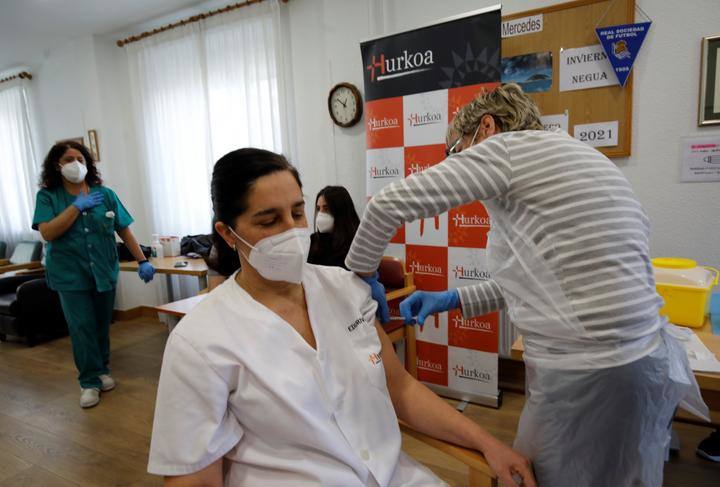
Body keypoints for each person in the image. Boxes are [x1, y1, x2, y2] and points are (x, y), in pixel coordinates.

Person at [345, 83, 709, 487]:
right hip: (643, 364)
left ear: (485, 127)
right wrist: (454, 299)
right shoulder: (584, 158)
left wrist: (362, 274)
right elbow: (547, 281)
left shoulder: (507, 150)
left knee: (535, 477)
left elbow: (384, 206)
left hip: (588, 371)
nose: (461, 163)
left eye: (457, 152)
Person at [147, 148, 535, 487]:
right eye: (269, 221)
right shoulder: (200, 342)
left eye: (298, 212)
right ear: (228, 234)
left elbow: (400, 388)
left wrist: (488, 442)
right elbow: (195, 479)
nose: (292, 231)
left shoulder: (344, 290)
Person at [32, 140, 155, 409]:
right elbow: (48, 232)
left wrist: (142, 260)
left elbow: (123, 230)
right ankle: (88, 382)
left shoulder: (105, 194)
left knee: (101, 324)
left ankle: (101, 369)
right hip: (69, 274)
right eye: (68, 159)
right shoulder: (48, 197)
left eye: (80, 158)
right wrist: (76, 207)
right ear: (57, 165)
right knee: (81, 327)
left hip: (103, 269)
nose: (75, 163)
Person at [307, 185, 360, 269]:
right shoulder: (314, 241)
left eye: (326, 209)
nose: (320, 214)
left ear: (341, 211)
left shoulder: (357, 243)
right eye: (318, 209)